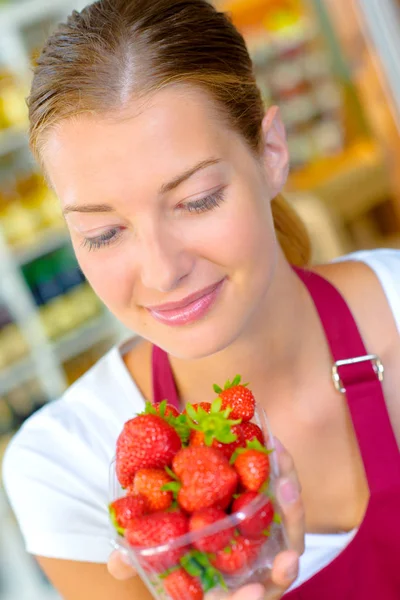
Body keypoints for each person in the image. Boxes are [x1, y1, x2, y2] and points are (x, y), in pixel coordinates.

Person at [2, 0, 400, 598]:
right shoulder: (67, 467)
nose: (162, 272)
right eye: (104, 234)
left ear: (270, 154)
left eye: (198, 200)